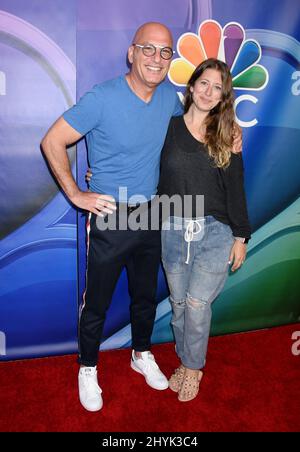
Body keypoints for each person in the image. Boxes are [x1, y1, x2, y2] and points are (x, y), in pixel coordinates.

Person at [41, 21, 242, 412]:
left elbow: (200, 127)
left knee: (145, 296)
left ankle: (141, 353)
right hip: (112, 215)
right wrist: (77, 193)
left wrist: (233, 131)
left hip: (155, 212)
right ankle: (87, 367)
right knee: (96, 301)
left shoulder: (170, 99)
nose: (156, 58)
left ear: (170, 60)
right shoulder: (102, 97)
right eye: (148, 49)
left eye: (165, 52)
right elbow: (52, 140)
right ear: (131, 53)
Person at [157, 58, 251, 402]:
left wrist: (240, 237)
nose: (209, 92)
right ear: (191, 86)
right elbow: (138, 162)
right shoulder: (166, 128)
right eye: (204, 83)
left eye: (218, 88)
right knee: (179, 304)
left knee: (197, 303)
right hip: (172, 228)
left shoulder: (228, 135)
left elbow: (236, 189)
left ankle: (193, 368)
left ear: (223, 97)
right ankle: (185, 361)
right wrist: (104, 178)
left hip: (215, 230)